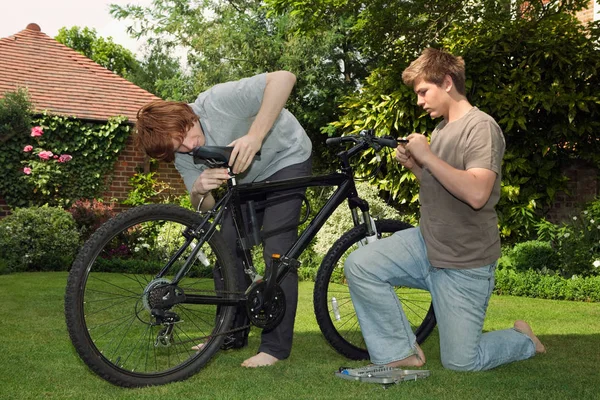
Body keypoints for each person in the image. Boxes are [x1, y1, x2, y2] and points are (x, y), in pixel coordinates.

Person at [344, 48, 545, 372]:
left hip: (464, 263)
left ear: (448, 82)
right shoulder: (441, 130)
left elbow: (477, 193)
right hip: (426, 245)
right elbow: (443, 186)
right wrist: (416, 166)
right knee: (361, 265)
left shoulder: (481, 128)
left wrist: (426, 156)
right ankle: (400, 351)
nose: (420, 101)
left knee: (462, 362)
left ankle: (523, 339)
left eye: (424, 91)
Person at [135, 71, 312, 367]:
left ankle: (274, 348)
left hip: (286, 159)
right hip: (244, 183)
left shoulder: (218, 101)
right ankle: (229, 333)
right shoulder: (181, 152)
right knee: (226, 249)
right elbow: (205, 205)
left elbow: (285, 78)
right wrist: (199, 189)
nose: (188, 148)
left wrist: (255, 137)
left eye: (185, 137)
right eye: (177, 148)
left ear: (188, 116)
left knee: (277, 253)